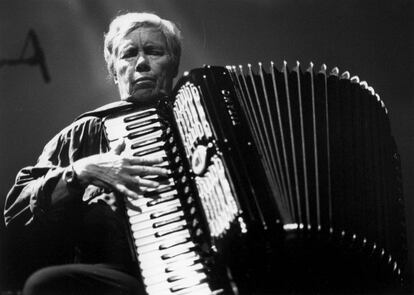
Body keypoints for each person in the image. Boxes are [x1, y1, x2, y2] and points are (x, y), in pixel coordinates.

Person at [3, 11, 182, 295]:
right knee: (45, 285)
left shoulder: (203, 120)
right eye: (129, 54)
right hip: (124, 279)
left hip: (210, 264)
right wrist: (82, 170)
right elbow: (16, 211)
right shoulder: (85, 132)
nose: (142, 64)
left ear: (173, 64)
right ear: (114, 71)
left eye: (154, 52)